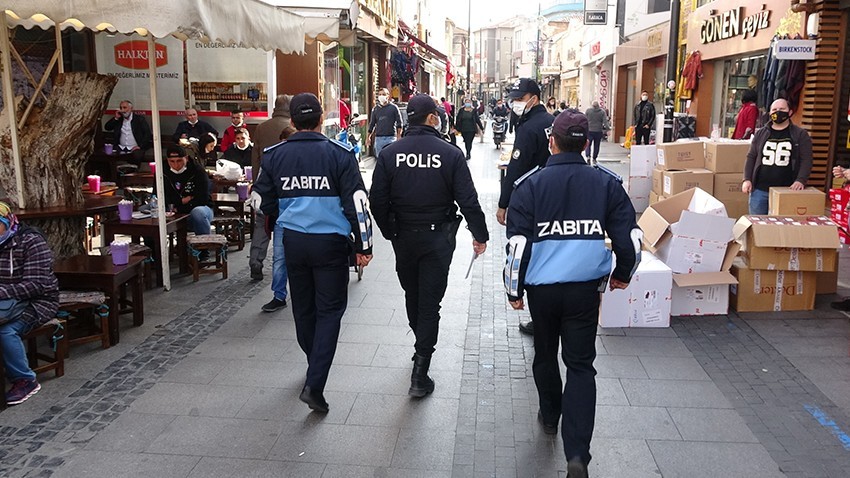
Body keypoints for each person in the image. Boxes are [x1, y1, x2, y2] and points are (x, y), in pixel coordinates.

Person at [503, 111, 640, 477]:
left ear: (552, 142)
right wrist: (623, 273)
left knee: (545, 353)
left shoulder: (529, 186)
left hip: (542, 293)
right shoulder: (606, 183)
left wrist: (513, 289)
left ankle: (550, 415)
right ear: (585, 144)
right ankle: (577, 452)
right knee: (580, 366)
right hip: (584, 292)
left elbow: (517, 246)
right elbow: (632, 239)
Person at [253, 93, 373, 413]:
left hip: (293, 241)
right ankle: (315, 383)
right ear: (321, 119)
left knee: (304, 309)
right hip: (330, 244)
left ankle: (313, 363)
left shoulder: (275, 155)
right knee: (330, 312)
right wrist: (365, 245)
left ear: (292, 122)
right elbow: (357, 205)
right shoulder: (340, 154)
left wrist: (281, 212)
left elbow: (261, 199)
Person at [370, 94, 489, 397]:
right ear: (433, 118)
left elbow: (378, 200)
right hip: (438, 238)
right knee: (430, 301)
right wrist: (480, 234)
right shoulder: (449, 154)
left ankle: (420, 347)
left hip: (404, 237)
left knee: (413, 293)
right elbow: (468, 198)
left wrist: (389, 231)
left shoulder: (390, 154)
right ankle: (420, 372)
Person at [498, 78, 554, 336]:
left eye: (520, 98)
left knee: (533, 254)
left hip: (534, 199)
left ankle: (540, 317)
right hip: (558, 197)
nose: (516, 103)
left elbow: (517, 168)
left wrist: (504, 203)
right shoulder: (553, 122)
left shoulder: (530, 127)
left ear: (533, 97)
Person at [0, 202, 59, 406]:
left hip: (38, 302)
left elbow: (36, 285)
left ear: (7, 223)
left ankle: (25, 379)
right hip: (5, 302)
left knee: (5, 331)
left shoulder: (31, 242)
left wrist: (1, 292)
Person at [248, 94, 292, 282]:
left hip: (266, 183)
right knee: (286, 224)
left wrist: (257, 184)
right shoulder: (292, 127)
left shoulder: (261, 127)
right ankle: (286, 264)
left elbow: (255, 158)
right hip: (288, 185)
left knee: (261, 224)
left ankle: (256, 261)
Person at [742, 98, 813, 215]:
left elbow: (806, 159)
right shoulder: (761, 133)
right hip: (760, 190)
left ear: (790, 112)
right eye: (774, 109)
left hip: (787, 190)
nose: (778, 112)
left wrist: (801, 180)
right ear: (770, 113)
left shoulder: (800, 135)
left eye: (782, 109)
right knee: (758, 227)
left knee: (782, 227)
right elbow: (751, 156)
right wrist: (747, 179)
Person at [162, 145, 213, 235]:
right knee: (145, 209)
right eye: (172, 162)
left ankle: (203, 245)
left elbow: (202, 198)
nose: (176, 165)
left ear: (186, 158)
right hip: (170, 209)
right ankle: (153, 247)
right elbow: (159, 195)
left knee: (198, 213)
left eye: (179, 161)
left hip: (199, 208)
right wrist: (181, 201)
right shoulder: (162, 171)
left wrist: (178, 207)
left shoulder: (198, 171)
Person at [104, 100, 152, 166]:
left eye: (125, 107)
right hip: (121, 147)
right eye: (121, 108)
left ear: (131, 109)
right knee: (108, 156)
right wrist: (116, 118)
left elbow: (147, 134)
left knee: (137, 156)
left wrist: (140, 146)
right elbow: (107, 127)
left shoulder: (139, 119)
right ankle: (115, 174)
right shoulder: (119, 119)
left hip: (135, 148)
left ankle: (132, 172)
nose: (123, 110)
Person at [367, 88, 403, 157]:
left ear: (388, 96)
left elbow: (399, 123)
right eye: (380, 94)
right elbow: (372, 124)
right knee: (380, 159)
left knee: (391, 158)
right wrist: (368, 137)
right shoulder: (375, 109)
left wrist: (399, 136)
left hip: (391, 138)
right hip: (379, 138)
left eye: (383, 94)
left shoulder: (393, 108)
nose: (381, 96)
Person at [584, 101, 606, 165]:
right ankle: (594, 158)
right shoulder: (602, 112)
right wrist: (607, 129)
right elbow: (605, 121)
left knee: (588, 144)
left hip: (589, 130)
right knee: (597, 145)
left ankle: (588, 156)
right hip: (598, 131)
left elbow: (584, 119)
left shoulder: (588, 111)